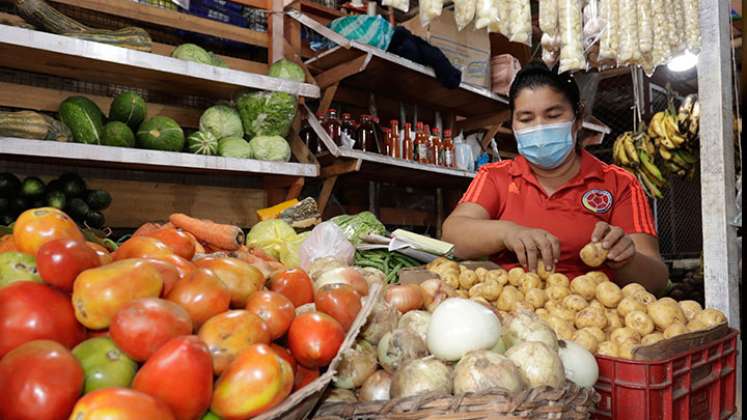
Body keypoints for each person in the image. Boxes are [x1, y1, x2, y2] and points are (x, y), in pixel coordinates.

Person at [442, 63, 668, 293]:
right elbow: (452, 236)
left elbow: (657, 281)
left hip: (594, 316)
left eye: (553, 115)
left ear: (578, 120)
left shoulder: (619, 183)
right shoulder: (495, 176)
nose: (539, 127)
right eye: (526, 118)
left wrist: (625, 258)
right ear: (514, 125)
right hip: (513, 308)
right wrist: (507, 232)